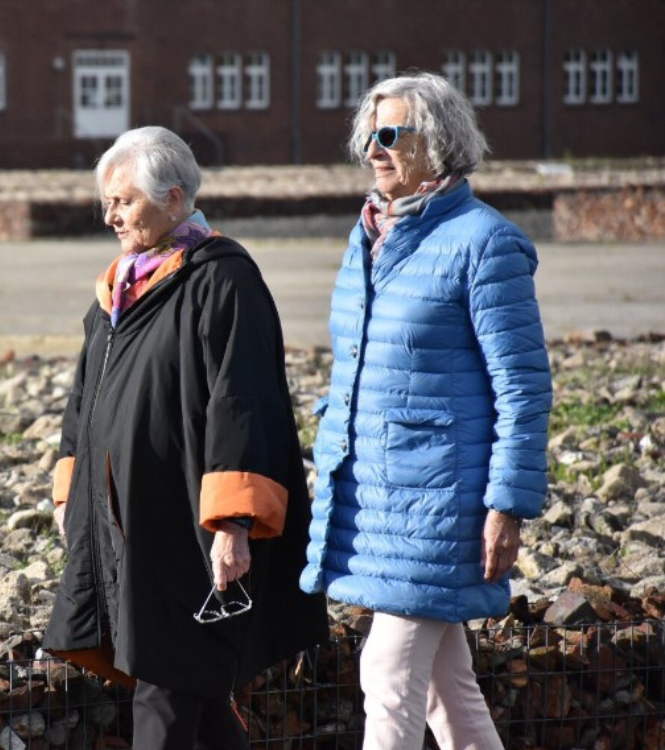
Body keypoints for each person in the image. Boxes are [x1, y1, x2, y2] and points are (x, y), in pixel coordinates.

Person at [42, 126, 328, 750]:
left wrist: (233, 523)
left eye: (125, 201)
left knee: (168, 682)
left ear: (173, 199)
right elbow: (83, 401)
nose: (112, 217)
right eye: (107, 203)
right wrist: (72, 489)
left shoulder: (223, 280)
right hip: (129, 525)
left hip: (187, 530)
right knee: (186, 686)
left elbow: (243, 402)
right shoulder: (118, 290)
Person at [300, 72, 553, 750]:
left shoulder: (484, 242)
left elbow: (523, 386)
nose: (374, 150)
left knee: (387, 670)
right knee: (447, 686)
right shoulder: (368, 236)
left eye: (390, 134)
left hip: (444, 499)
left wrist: (507, 506)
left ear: (438, 142)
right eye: (368, 135)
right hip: (376, 497)